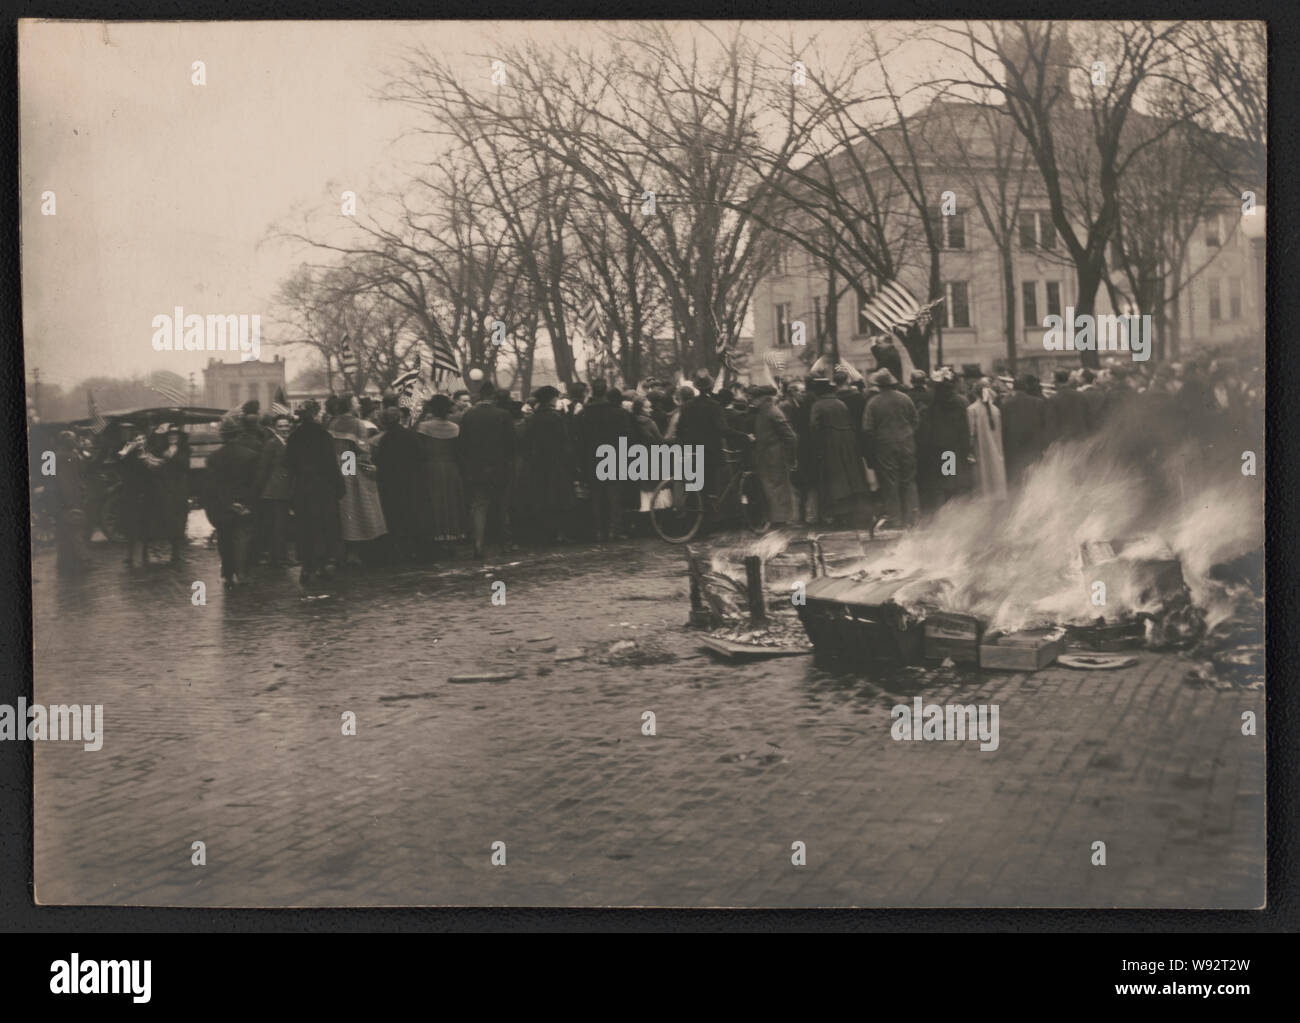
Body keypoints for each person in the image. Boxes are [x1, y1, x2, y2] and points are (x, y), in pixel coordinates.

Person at [285, 399, 344, 585]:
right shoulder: (324, 436)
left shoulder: (294, 437)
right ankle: (323, 564)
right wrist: (340, 486)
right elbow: (331, 464)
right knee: (325, 525)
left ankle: (307, 567)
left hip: (302, 487)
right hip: (323, 487)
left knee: (305, 526)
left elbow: (288, 464)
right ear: (315, 414)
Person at [458, 381, 517, 560]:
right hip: (499, 467)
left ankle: (478, 544)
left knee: (479, 506)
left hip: (475, 469)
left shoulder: (468, 416)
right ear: (493, 396)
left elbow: (462, 445)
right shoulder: (503, 415)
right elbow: (512, 443)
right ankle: (504, 544)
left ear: (479, 396)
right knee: (501, 506)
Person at [327, 395, 388, 566]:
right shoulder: (357, 424)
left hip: (338, 465)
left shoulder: (333, 423)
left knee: (344, 509)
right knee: (359, 507)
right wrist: (368, 468)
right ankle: (357, 552)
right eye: (355, 402)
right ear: (349, 405)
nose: (359, 405)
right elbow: (362, 450)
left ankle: (344, 552)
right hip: (351, 465)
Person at [372, 406, 434, 563]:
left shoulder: (384, 439)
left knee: (396, 517)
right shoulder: (409, 435)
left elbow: (379, 460)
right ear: (399, 418)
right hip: (411, 480)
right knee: (413, 514)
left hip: (391, 482)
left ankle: (402, 550)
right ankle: (417, 549)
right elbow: (423, 455)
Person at [576, 378, 635, 542]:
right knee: (614, 495)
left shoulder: (583, 415)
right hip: (614, 459)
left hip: (592, 461)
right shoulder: (620, 414)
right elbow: (628, 438)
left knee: (595, 496)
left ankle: (597, 531)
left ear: (592, 392)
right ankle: (614, 530)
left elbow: (579, 441)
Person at [204, 418, 260, 587]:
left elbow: (212, 486)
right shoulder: (251, 456)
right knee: (243, 539)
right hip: (245, 505)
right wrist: (245, 504)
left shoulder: (213, 458)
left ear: (222, 436)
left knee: (225, 539)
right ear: (238, 434)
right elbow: (254, 484)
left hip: (223, 506)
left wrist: (228, 503)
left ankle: (227, 574)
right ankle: (242, 573)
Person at [516, 385, 577, 544]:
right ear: (552, 399)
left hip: (538, 463)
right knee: (559, 498)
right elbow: (564, 441)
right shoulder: (556, 417)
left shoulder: (532, 418)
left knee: (542, 498)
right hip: (556, 463)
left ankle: (544, 533)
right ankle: (560, 533)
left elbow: (527, 442)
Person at [862, 368, 919, 529]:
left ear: (878, 385)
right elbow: (915, 420)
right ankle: (913, 517)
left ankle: (896, 518)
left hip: (885, 446)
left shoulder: (873, 402)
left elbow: (867, 428)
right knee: (908, 480)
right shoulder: (905, 398)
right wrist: (907, 434)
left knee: (890, 482)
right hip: (907, 443)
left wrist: (877, 440)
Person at [809, 376, 869, 527]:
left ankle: (838, 515)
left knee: (834, 478)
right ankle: (853, 513)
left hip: (830, 443)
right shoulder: (840, 403)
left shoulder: (818, 405)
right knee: (851, 477)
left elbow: (814, 427)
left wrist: (817, 446)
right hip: (848, 443)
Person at [417, 395, 468, 551]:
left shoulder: (423, 427)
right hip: (450, 467)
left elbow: (420, 450)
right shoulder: (455, 428)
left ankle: (435, 535)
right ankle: (451, 536)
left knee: (434, 501)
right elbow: (460, 451)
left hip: (431, 467)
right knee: (451, 501)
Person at [750, 384, 798, 526]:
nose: (752, 401)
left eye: (755, 398)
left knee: (777, 488)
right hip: (767, 456)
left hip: (774, 456)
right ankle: (777, 519)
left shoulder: (771, 411)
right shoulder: (765, 411)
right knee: (773, 488)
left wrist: (791, 457)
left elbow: (791, 437)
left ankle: (780, 520)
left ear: (763, 399)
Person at [255, 414, 295, 568]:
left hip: (284, 488)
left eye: (286, 426)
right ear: (275, 428)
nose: (284, 429)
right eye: (281, 427)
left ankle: (279, 556)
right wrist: (262, 489)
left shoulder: (287, 442)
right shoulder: (271, 444)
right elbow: (263, 468)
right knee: (278, 525)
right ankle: (280, 557)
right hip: (274, 490)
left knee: (282, 524)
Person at [926, 377, 972, 509]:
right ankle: (954, 503)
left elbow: (930, 425)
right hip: (955, 444)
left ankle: (948, 504)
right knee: (952, 475)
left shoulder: (935, 403)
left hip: (941, 445)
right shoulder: (959, 402)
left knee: (946, 476)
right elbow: (964, 425)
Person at [118, 430, 159, 567]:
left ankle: (143, 554)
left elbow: (157, 468)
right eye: (138, 439)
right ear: (134, 442)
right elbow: (121, 462)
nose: (141, 441)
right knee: (132, 526)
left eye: (143, 438)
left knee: (144, 525)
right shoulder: (129, 456)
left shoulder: (149, 454)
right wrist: (126, 451)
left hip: (146, 495)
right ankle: (131, 556)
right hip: (132, 495)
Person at [52, 430, 91, 575]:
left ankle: (64, 562)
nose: (76, 441)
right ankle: (83, 560)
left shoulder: (53, 456)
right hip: (70, 499)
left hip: (59, 500)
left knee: (63, 531)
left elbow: (49, 478)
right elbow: (67, 480)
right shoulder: (69, 456)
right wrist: (72, 501)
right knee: (76, 529)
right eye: (73, 439)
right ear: (66, 441)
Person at [1000, 374, 1049, 488]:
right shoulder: (1038, 403)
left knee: (1016, 483)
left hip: (1013, 449)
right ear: (1026, 387)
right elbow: (1044, 426)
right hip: (1033, 446)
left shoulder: (1006, 404)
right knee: (1035, 481)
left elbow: (1004, 429)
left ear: (1013, 388)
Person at [151, 424, 190, 563]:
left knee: (179, 519)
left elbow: (185, 465)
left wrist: (170, 457)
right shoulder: (160, 449)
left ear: (179, 437)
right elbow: (153, 461)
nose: (173, 437)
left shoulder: (184, 450)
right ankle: (162, 546)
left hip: (179, 489)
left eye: (175, 434)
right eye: (170, 435)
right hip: (165, 489)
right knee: (166, 518)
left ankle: (176, 551)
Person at [967, 378, 1008, 502]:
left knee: (982, 474)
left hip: (980, 448)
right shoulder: (996, 410)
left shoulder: (972, 409)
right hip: (996, 448)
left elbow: (971, 433)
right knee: (995, 471)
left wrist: (969, 450)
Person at [1045, 368, 1090, 446]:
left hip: (1064, 441)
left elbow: (1052, 423)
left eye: (1052, 379)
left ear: (1055, 381)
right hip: (1082, 438)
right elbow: (1088, 416)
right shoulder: (1080, 395)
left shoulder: (1053, 399)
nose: (1051, 381)